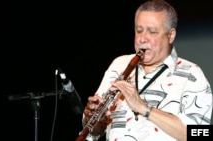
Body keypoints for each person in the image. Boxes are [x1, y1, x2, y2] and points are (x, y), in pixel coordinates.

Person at [80, 0, 213, 141]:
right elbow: (94, 133)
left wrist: (144, 108)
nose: (142, 39)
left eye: (152, 32)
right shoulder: (119, 65)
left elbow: (200, 134)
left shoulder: (192, 74)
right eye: (139, 31)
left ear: (170, 35)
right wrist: (93, 119)